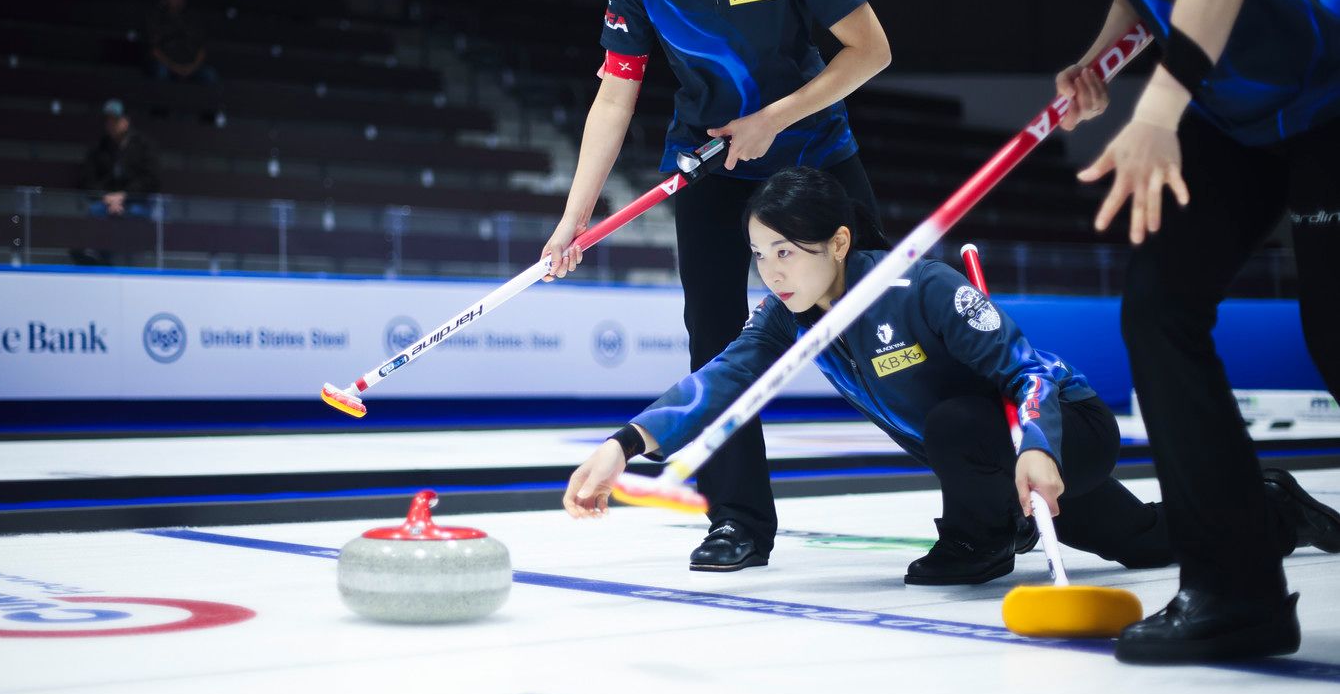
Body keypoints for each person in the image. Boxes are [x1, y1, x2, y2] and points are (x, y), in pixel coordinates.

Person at [562, 168, 1340, 588]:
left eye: (787, 252)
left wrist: (1037, 447)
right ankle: (1274, 510)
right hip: (996, 455)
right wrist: (624, 445)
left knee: (957, 425)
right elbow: (719, 380)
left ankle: (977, 542)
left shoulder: (920, 288)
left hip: (1061, 429)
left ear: (838, 241)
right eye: (761, 254)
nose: (773, 271)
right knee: (1140, 544)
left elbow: (1029, 371)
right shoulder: (785, 316)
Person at [542, 0, 894, 572]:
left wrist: (774, 119)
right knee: (714, 338)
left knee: (884, 322)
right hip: (706, 167)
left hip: (814, 158)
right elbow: (614, 95)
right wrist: (574, 220)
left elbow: (871, 50)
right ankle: (737, 519)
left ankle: (988, 497)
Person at [1033, 0, 1340, 662]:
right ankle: (1234, 592)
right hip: (1236, 111)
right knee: (1160, 310)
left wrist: (1158, 106)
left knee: (1336, 334)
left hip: (1322, 81)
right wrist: (1100, 61)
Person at [147, 0, 219, 85]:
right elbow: (154, 50)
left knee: (210, 74)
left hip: (190, 66)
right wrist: (175, 68)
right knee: (161, 72)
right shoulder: (156, 19)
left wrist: (191, 68)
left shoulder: (193, 19)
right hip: (166, 64)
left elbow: (201, 49)